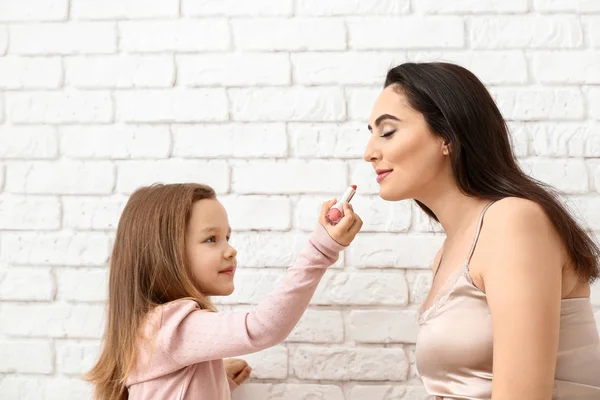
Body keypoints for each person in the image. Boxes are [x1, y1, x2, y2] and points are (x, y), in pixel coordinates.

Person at [364, 62, 600, 399]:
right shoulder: (448, 253)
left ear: (447, 135)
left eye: (387, 132)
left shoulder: (513, 221)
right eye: (370, 133)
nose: (369, 153)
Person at [85, 183, 362, 399]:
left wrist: (215, 380)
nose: (230, 250)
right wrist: (321, 249)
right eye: (211, 239)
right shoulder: (167, 325)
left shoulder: (155, 330)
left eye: (227, 237)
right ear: (163, 254)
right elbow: (261, 328)